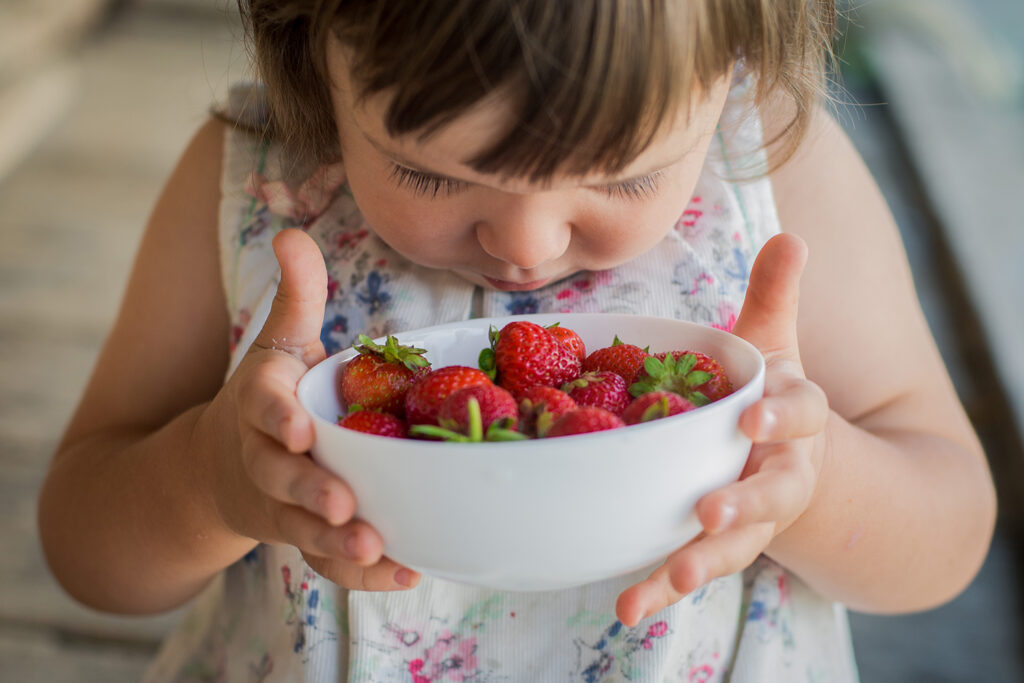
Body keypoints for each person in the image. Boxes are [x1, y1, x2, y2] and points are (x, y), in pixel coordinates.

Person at [38, 1, 996, 680]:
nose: (528, 246)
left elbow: (949, 539)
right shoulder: (256, 181)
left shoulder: (775, 168)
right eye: (431, 175)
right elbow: (86, 549)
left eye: (625, 178)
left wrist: (809, 483)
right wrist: (212, 481)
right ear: (309, 45)